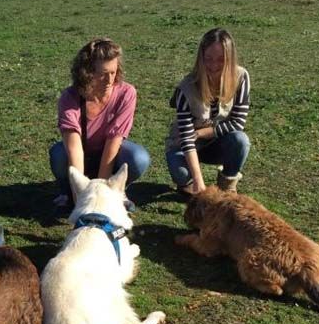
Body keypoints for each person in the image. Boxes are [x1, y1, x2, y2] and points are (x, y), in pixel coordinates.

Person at [49, 37, 150, 212]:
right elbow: (74, 149)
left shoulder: (126, 93)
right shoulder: (70, 97)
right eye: (102, 74)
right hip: (82, 154)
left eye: (113, 72)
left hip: (110, 154)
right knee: (59, 155)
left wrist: (101, 198)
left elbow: (113, 142)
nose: (109, 80)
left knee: (138, 158)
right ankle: (68, 191)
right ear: (86, 72)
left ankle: (117, 190)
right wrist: (81, 202)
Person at [165, 28, 251, 194]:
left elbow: (238, 122)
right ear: (200, 58)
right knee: (182, 175)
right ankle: (189, 184)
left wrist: (202, 133)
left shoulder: (241, 77)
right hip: (185, 145)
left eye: (221, 60)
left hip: (217, 141)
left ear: (230, 59)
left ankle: (227, 185)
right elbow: (187, 138)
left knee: (240, 141)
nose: (213, 66)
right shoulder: (186, 88)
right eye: (208, 59)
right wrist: (199, 181)